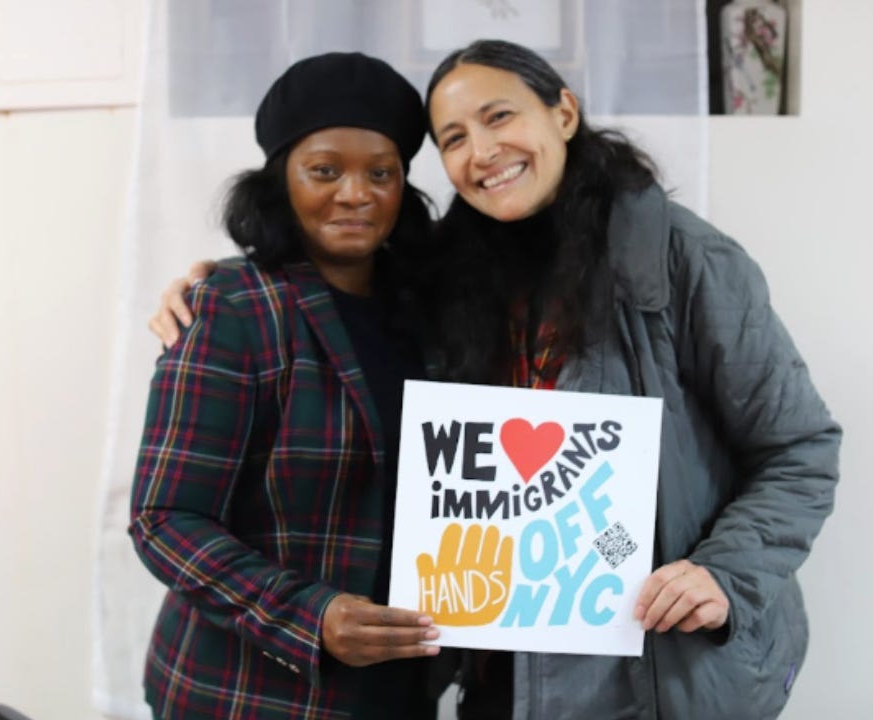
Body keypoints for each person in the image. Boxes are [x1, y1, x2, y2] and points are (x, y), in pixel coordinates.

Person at [150, 40, 841, 720]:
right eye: (453, 137)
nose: (481, 151)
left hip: (652, 674)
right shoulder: (446, 281)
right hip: (487, 676)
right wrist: (220, 287)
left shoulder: (685, 259)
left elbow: (799, 449)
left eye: (499, 117)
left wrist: (723, 572)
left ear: (563, 113)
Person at [128, 52, 443, 720]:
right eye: (325, 170)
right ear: (281, 182)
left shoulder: (432, 312)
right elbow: (164, 520)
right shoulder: (232, 307)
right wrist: (311, 616)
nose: (356, 193)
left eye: (381, 173)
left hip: (397, 687)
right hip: (251, 694)